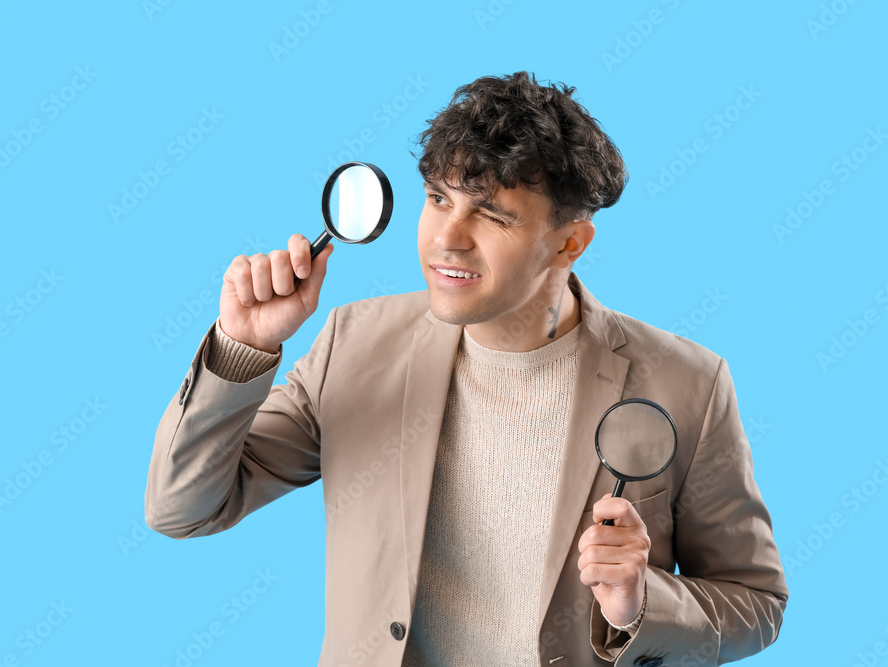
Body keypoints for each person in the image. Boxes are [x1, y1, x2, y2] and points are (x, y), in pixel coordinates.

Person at [145, 71, 788, 666]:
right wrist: (240, 346)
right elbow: (183, 508)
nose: (446, 237)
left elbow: (756, 603)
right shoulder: (354, 343)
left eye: (491, 214)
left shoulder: (689, 384)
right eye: (438, 198)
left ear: (569, 242)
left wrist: (640, 604)